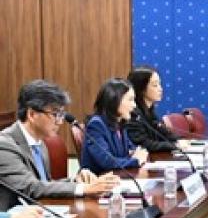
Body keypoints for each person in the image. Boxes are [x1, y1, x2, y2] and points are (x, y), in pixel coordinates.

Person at [0, 80, 119, 211]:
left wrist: (76, 181)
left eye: (61, 115)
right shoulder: (4, 145)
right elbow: (31, 187)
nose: (60, 122)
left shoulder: (39, 143)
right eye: (55, 114)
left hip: (41, 214)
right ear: (32, 115)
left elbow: (45, 184)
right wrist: (84, 188)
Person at [81, 78, 149, 175]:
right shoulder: (96, 125)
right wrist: (135, 160)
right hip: (99, 180)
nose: (134, 105)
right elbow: (107, 161)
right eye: (130, 100)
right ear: (114, 100)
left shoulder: (120, 124)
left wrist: (138, 153)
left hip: (117, 177)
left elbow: (133, 149)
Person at [125, 66, 189, 152]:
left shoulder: (150, 110)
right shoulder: (133, 114)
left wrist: (180, 140)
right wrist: (174, 145)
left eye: (160, 84)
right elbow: (143, 144)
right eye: (155, 85)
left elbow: (163, 133)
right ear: (141, 88)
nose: (160, 89)